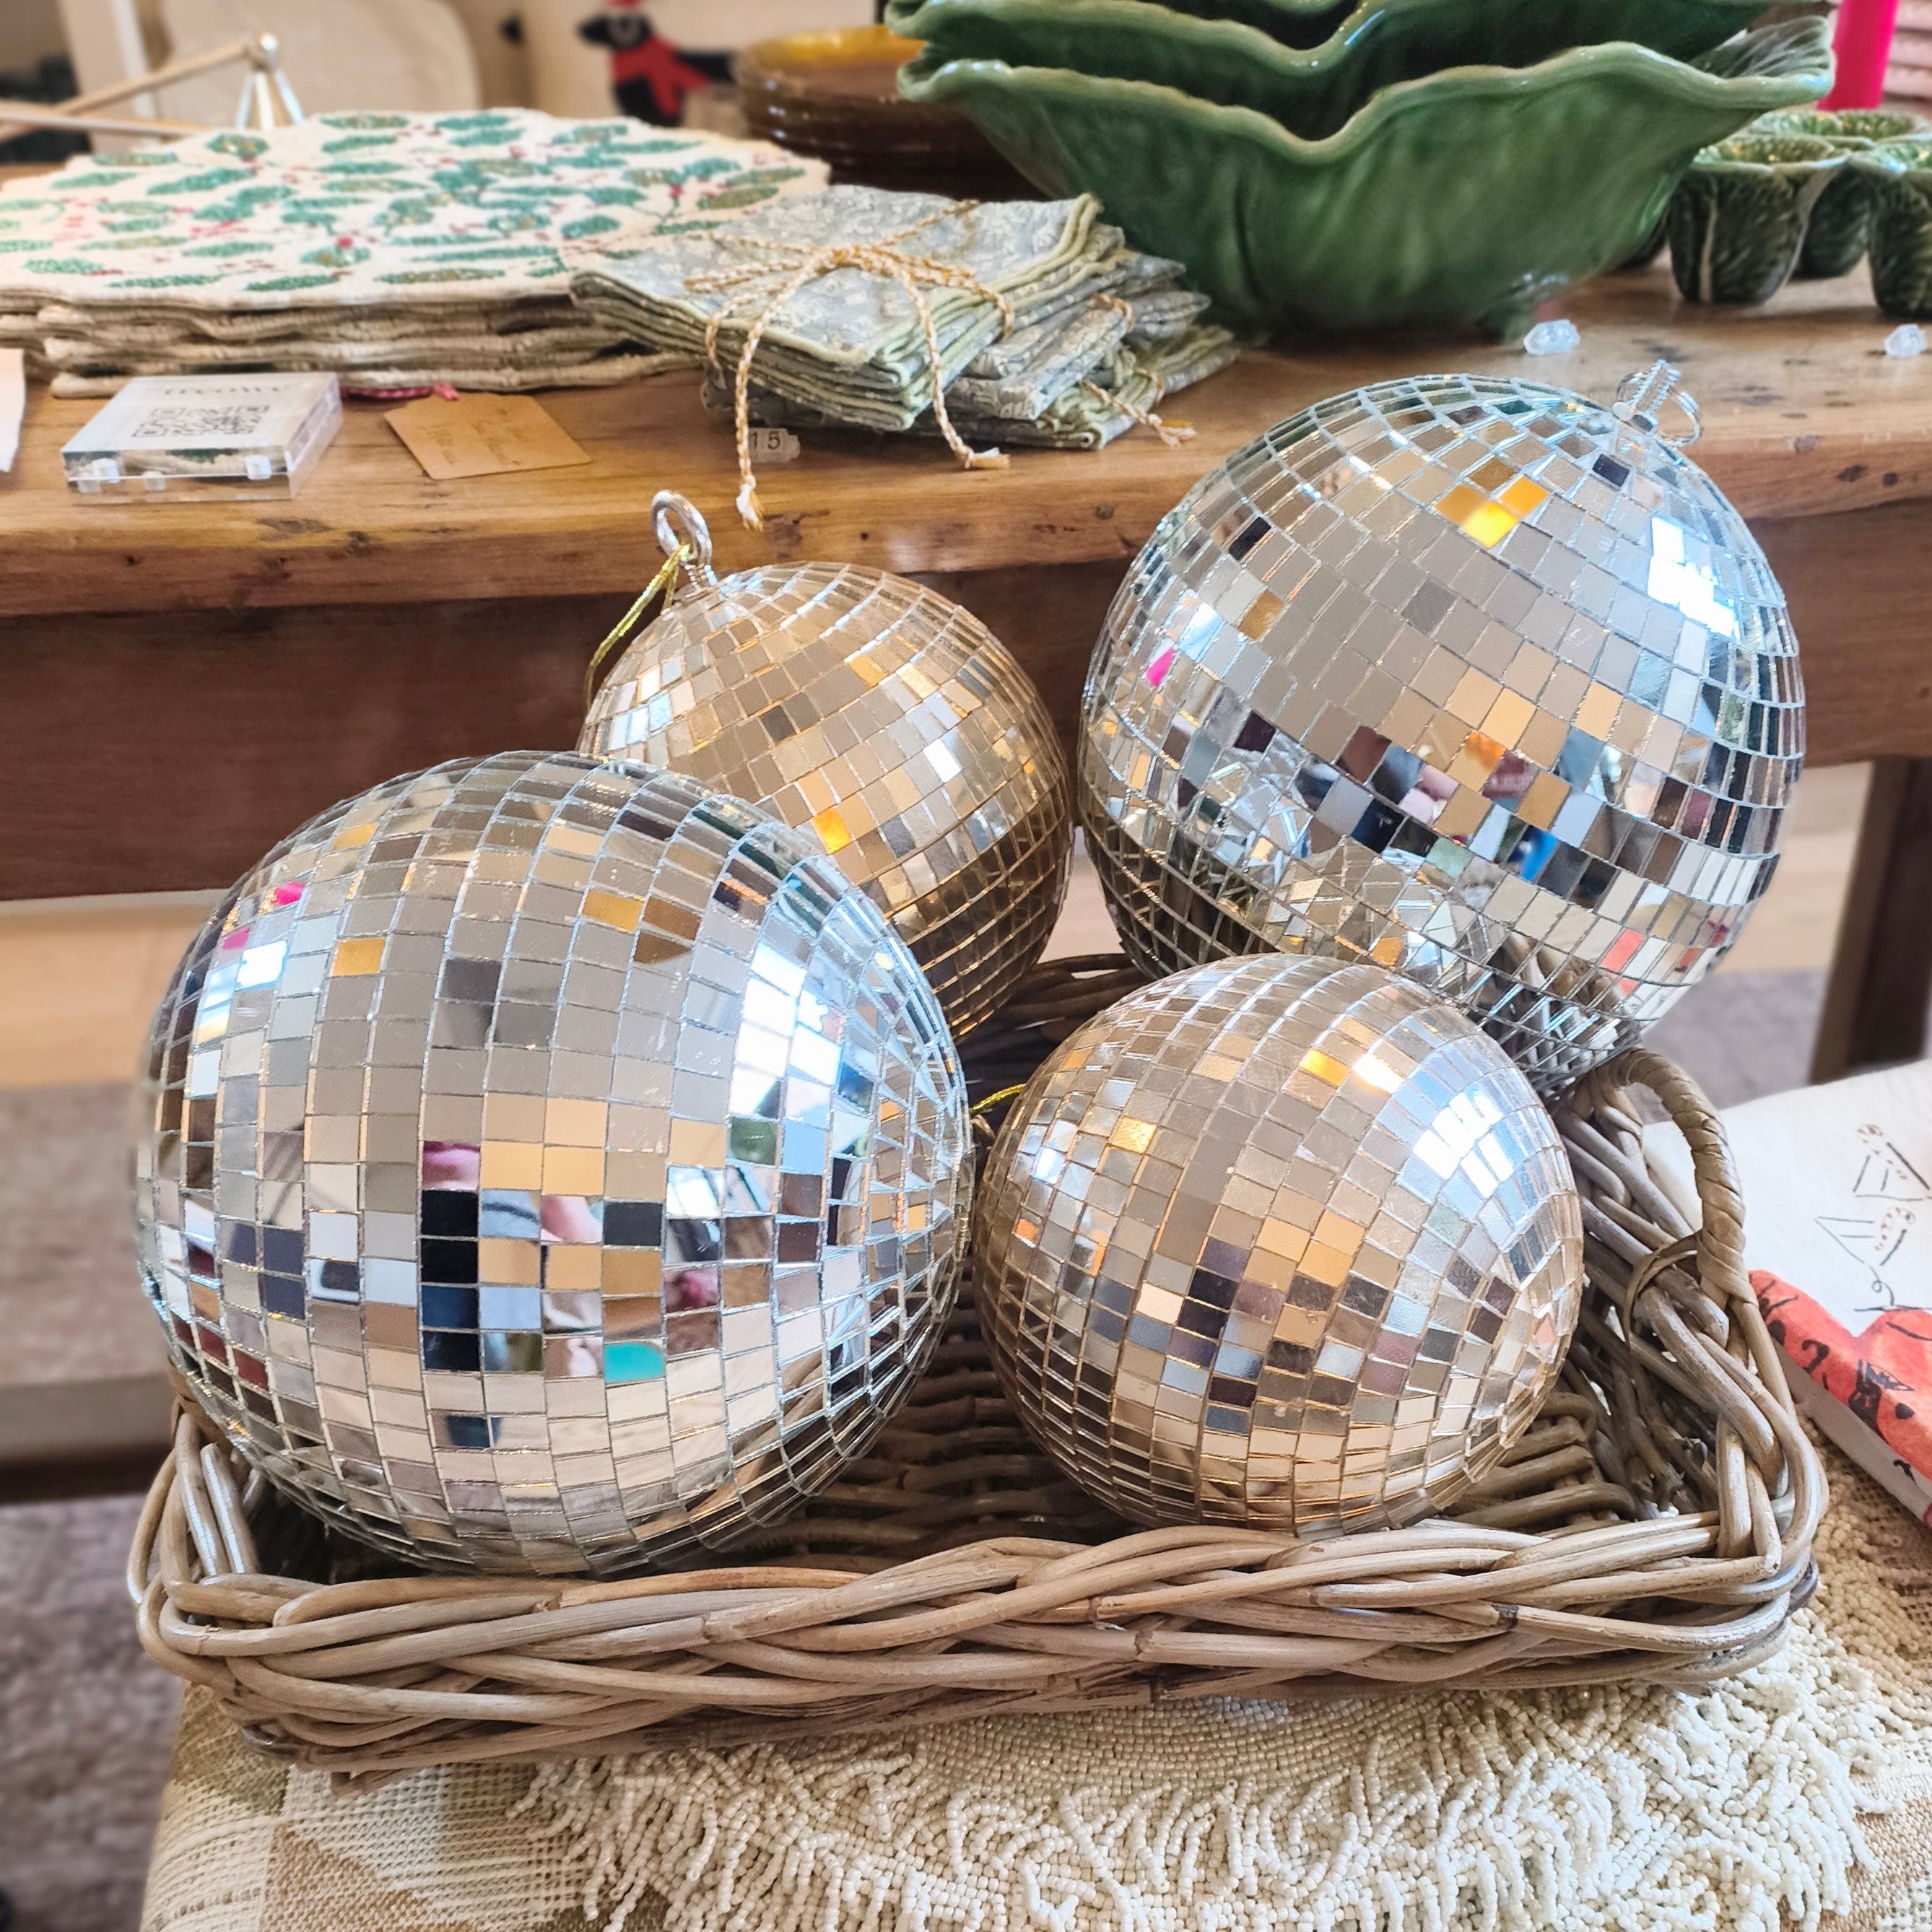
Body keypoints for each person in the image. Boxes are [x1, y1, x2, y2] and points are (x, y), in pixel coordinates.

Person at [577, 0, 729, 126]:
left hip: (664, 113)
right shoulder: (643, 48)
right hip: (647, 106)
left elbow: (676, 75)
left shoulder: (655, 52)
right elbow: (586, 31)